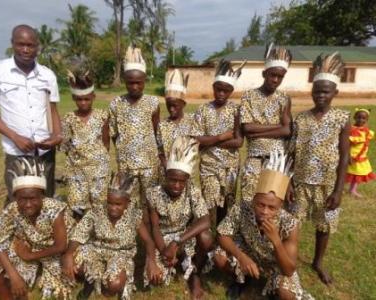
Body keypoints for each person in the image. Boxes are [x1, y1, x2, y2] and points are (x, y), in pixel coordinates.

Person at [0, 24, 62, 205]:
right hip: (16, 151)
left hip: (44, 151)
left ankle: (45, 234)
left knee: (46, 200)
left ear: (37, 46)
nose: (25, 49)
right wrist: (15, 137)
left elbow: (53, 109)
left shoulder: (47, 75)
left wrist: (57, 136)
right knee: (19, 202)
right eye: (20, 44)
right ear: (12, 44)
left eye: (30, 45)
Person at [214, 151, 313, 300]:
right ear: (253, 199)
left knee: (287, 294)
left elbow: (289, 270)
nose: (265, 211)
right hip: (249, 251)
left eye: (271, 207)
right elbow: (222, 235)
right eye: (260, 204)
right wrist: (241, 257)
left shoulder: (290, 224)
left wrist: (276, 240)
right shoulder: (242, 208)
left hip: (276, 263)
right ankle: (242, 279)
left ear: (280, 206)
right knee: (219, 256)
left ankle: (272, 287)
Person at [288, 52, 350, 285]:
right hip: (301, 183)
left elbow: (345, 156)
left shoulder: (342, 118)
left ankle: (318, 262)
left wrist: (338, 190)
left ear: (335, 93)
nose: (320, 96)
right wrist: (289, 182)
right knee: (293, 223)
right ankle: (289, 260)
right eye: (316, 91)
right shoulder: (301, 119)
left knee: (324, 225)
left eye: (325, 91)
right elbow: (291, 153)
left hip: (326, 184)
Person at [0, 157, 74, 299]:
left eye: (33, 198)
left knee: (64, 287)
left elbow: (61, 246)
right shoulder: (12, 210)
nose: (28, 204)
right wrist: (13, 275)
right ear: (15, 197)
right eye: (22, 199)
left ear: (42, 196)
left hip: (54, 253)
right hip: (26, 249)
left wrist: (30, 256)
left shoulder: (54, 209)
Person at [62, 173, 161, 300]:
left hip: (121, 254)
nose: (113, 208)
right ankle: (90, 284)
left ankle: (115, 281)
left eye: (118, 204)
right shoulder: (97, 210)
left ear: (127, 203)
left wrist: (152, 261)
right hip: (96, 249)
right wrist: (69, 254)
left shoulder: (134, 215)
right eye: (110, 203)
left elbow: (148, 241)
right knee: (75, 265)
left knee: (113, 285)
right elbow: (80, 233)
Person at [147, 136, 213, 299]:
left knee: (205, 236)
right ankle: (180, 262)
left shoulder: (192, 191)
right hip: (163, 238)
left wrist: (177, 242)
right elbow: (154, 227)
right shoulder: (153, 194)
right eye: (172, 180)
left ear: (187, 180)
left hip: (185, 235)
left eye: (181, 181)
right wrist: (164, 251)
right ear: (166, 176)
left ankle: (195, 272)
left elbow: (205, 220)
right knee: (155, 278)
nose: (176, 185)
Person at [108, 45, 160, 227]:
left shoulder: (153, 102)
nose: (135, 86)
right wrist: (124, 153)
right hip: (127, 164)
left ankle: (149, 238)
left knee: (150, 203)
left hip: (149, 165)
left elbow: (156, 131)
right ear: (125, 81)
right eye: (130, 82)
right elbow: (114, 134)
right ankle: (129, 236)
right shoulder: (116, 104)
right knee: (128, 202)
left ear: (145, 80)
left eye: (139, 82)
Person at [191, 59, 244, 226]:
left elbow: (238, 142)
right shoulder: (203, 110)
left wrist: (209, 141)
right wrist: (221, 137)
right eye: (218, 89)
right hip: (208, 166)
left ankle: (221, 239)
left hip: (230, 166)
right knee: (209, 203)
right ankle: (208, 238)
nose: (221, 93)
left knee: (226, 204)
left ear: (231, 91)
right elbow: (196, 140)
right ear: (213, 88)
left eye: (226, 91)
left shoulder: (236, 111)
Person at [240, 44, 292, 202]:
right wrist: (278, 126)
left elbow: (287, 131)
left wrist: (257, 131)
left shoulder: (284, 98)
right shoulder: (248, 96)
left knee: (271, 199)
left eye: (280, 77)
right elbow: (247, 128)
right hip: (254, 157)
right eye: (272, 75)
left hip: (276, 158)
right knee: (249, 198)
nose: (275, 80)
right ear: (264, 73)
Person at [60, 56, 110, 218]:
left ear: (93, 97)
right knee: (77, 206)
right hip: (76, 169)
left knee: (99, 205)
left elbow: (106, 142)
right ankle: (78, 236)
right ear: (74, 98)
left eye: (86, 99)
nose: (83, 103)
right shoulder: (68, 118)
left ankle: (98, 234)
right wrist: (77, 160)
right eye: (79, 99)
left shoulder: (102, 116)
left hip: (99, 169)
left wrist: (99, 159)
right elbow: (65, 145)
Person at [157, 69, 193, 170]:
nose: (171, 109)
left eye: (175, 105)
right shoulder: (162, 125)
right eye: (169, 105)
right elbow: (160, 152)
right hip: (167, 173)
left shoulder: (192, 121)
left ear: (184, 104)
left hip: (187, 172)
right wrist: (168, 168)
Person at [345, 108, 376, 197]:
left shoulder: (367, 131)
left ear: (367, 120)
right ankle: (337, 189)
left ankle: (353, 190)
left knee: (358, 174)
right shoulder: (351, 130)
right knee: (344, 173)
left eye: (364, 118)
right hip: (351, 157)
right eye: (359, 117)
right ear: (354, 117)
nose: (361, 120)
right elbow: (347, 143)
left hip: (361, 158)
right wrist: (348, 156)